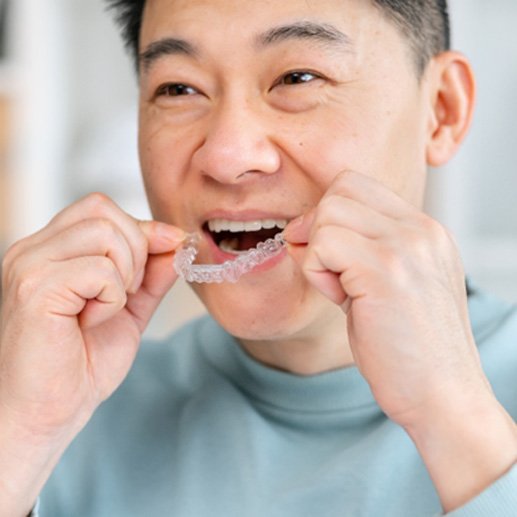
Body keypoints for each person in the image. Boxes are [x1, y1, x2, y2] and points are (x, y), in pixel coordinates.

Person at [0, 0, 516, 515]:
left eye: (297, 77)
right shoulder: (67, 411)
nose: (226, 157)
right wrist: (19, 435)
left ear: (442, 109)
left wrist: (457, 420)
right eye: (178, 89)